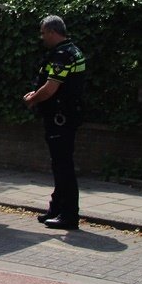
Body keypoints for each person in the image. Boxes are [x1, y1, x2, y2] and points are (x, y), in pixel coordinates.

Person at [23, 15, 86, 231]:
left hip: (61, 118)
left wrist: (33, 99)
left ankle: (69, 215)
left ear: (52, 32)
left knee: (63, 165)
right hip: (66, 115)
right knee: (59, 163)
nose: (42, 37)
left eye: (43, 33)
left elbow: (51, 88)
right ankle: (57, 209)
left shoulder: (62, 54)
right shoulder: (73, 50)